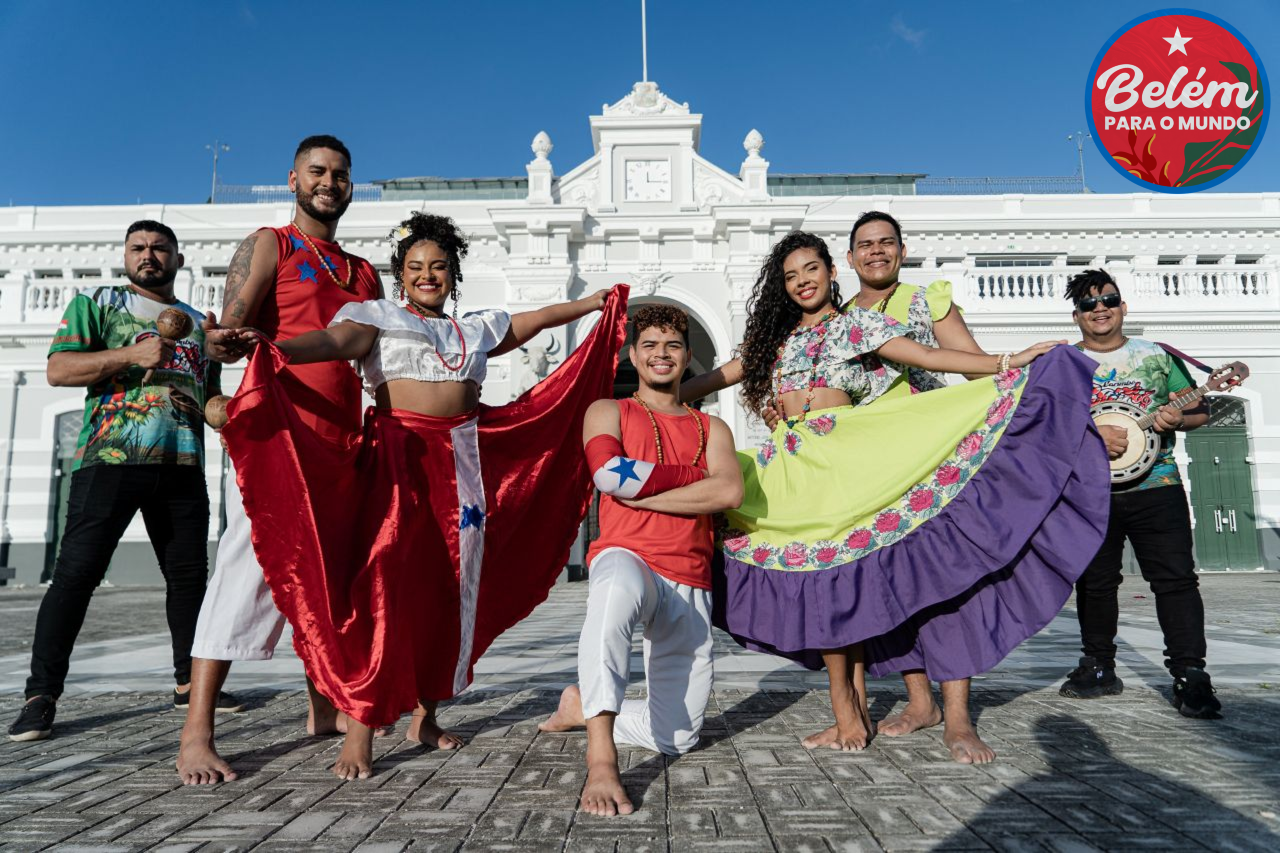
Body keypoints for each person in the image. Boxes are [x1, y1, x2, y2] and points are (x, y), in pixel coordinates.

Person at [222, 212, 630, 780]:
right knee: (386, 583)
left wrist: (589, 306)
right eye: (416, 266)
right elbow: (336, 340)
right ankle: (361, 727)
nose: (428, 274)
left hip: (462, 469)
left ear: (453, 273)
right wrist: (280, 345)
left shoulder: (474, 330)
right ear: (401, 274)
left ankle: (427, 716)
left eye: (438, 266)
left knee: (451, 591)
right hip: (398, 463)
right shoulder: (378, 319)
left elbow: (532, 321)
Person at [683, 231, 1110, 754]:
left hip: (846, 458)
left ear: (831, 272)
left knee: (839, 579)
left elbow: (929, 358)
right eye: (791, 276)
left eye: (811, 270)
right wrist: (644, 397)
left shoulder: (858, 323)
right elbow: (709, 382)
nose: (802, 282)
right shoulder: (773, 340)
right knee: (806, 573)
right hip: (789, 466)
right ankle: (848, 714)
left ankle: (864, 715)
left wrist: (1008, 361)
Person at [176, 135, 383, 784]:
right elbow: (234, 328)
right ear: (292, 178)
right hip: (277, 434)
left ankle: (323, 708)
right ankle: (196, 732)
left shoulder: (366, 272)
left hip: (340, 439)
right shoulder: (270, 243)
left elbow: (363, 344)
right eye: (317, 172)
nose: (329, 182)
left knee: (331, 577)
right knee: (248, 563)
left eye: (341, 174)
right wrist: (223, 338)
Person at [8, 221, 221, 742]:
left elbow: (208, 397)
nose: (149, 256)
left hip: (182, 463)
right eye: (138, 248)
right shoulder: (97, 303)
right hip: (109, 458)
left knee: (190, 580)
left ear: (178, 258)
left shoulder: (197, 323)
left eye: (159, 249)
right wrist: (131, 355)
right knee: (76, 576)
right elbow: (59, 370)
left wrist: (230, 409)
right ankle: (41, 694)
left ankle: (187, 683)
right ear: (126, 255)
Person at [538, 305, 743, 817]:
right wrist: (693, 478)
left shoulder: (712, 427)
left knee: (679, 737)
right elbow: (608, 474)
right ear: (634, 354)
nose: (661, 354)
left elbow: (730, 491)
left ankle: (582, 705)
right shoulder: (608, 412)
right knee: (612, 596)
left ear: (688, 356)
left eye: (672, 345)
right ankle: (602, 757)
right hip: (627, 555)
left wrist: (642, 488)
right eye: (650, 344)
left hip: (689, 573)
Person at [1058, 269, 1222, 719]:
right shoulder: (1063, 364)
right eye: (1089, 304)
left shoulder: (1157, 356)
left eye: (1108, 299)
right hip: (1089, 493)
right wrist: (1090, 434)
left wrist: (1176, 420)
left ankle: (1191, 674)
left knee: (1175, 581)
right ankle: (1099, 667)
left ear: (1123, 307)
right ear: (1077, 316)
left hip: (1159, 485)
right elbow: (1044, 428)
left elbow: (1201, 409)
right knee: (1094, 583)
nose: (1101, 309)